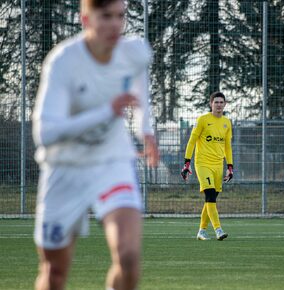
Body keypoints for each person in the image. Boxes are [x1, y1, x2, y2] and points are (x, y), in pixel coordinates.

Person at [32, 0, 159, 289]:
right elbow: (46, 132)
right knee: (54, 272)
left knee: (128, 255)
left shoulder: (135, 53)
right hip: (65, 166)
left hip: (111, 162)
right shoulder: (63, 61)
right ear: (86, 19)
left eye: (120, 16)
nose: (115, 24)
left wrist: (146, 131)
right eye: (106, 17)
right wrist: (106, 112)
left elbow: (140, 95)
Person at [181, 92, 233, 241]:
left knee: (211, 199)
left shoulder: (227, 123)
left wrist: (230, 167)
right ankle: (218, 229)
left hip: (218, 165)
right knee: (210, 194)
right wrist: (187, 163)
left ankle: (202, 231)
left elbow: (228, 147)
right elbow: (191, 141)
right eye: (216, 102)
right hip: (203, 163)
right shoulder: (203, 120)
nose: (218, 104)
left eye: (221, 102)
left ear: (225, 104)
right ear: (211, 104)